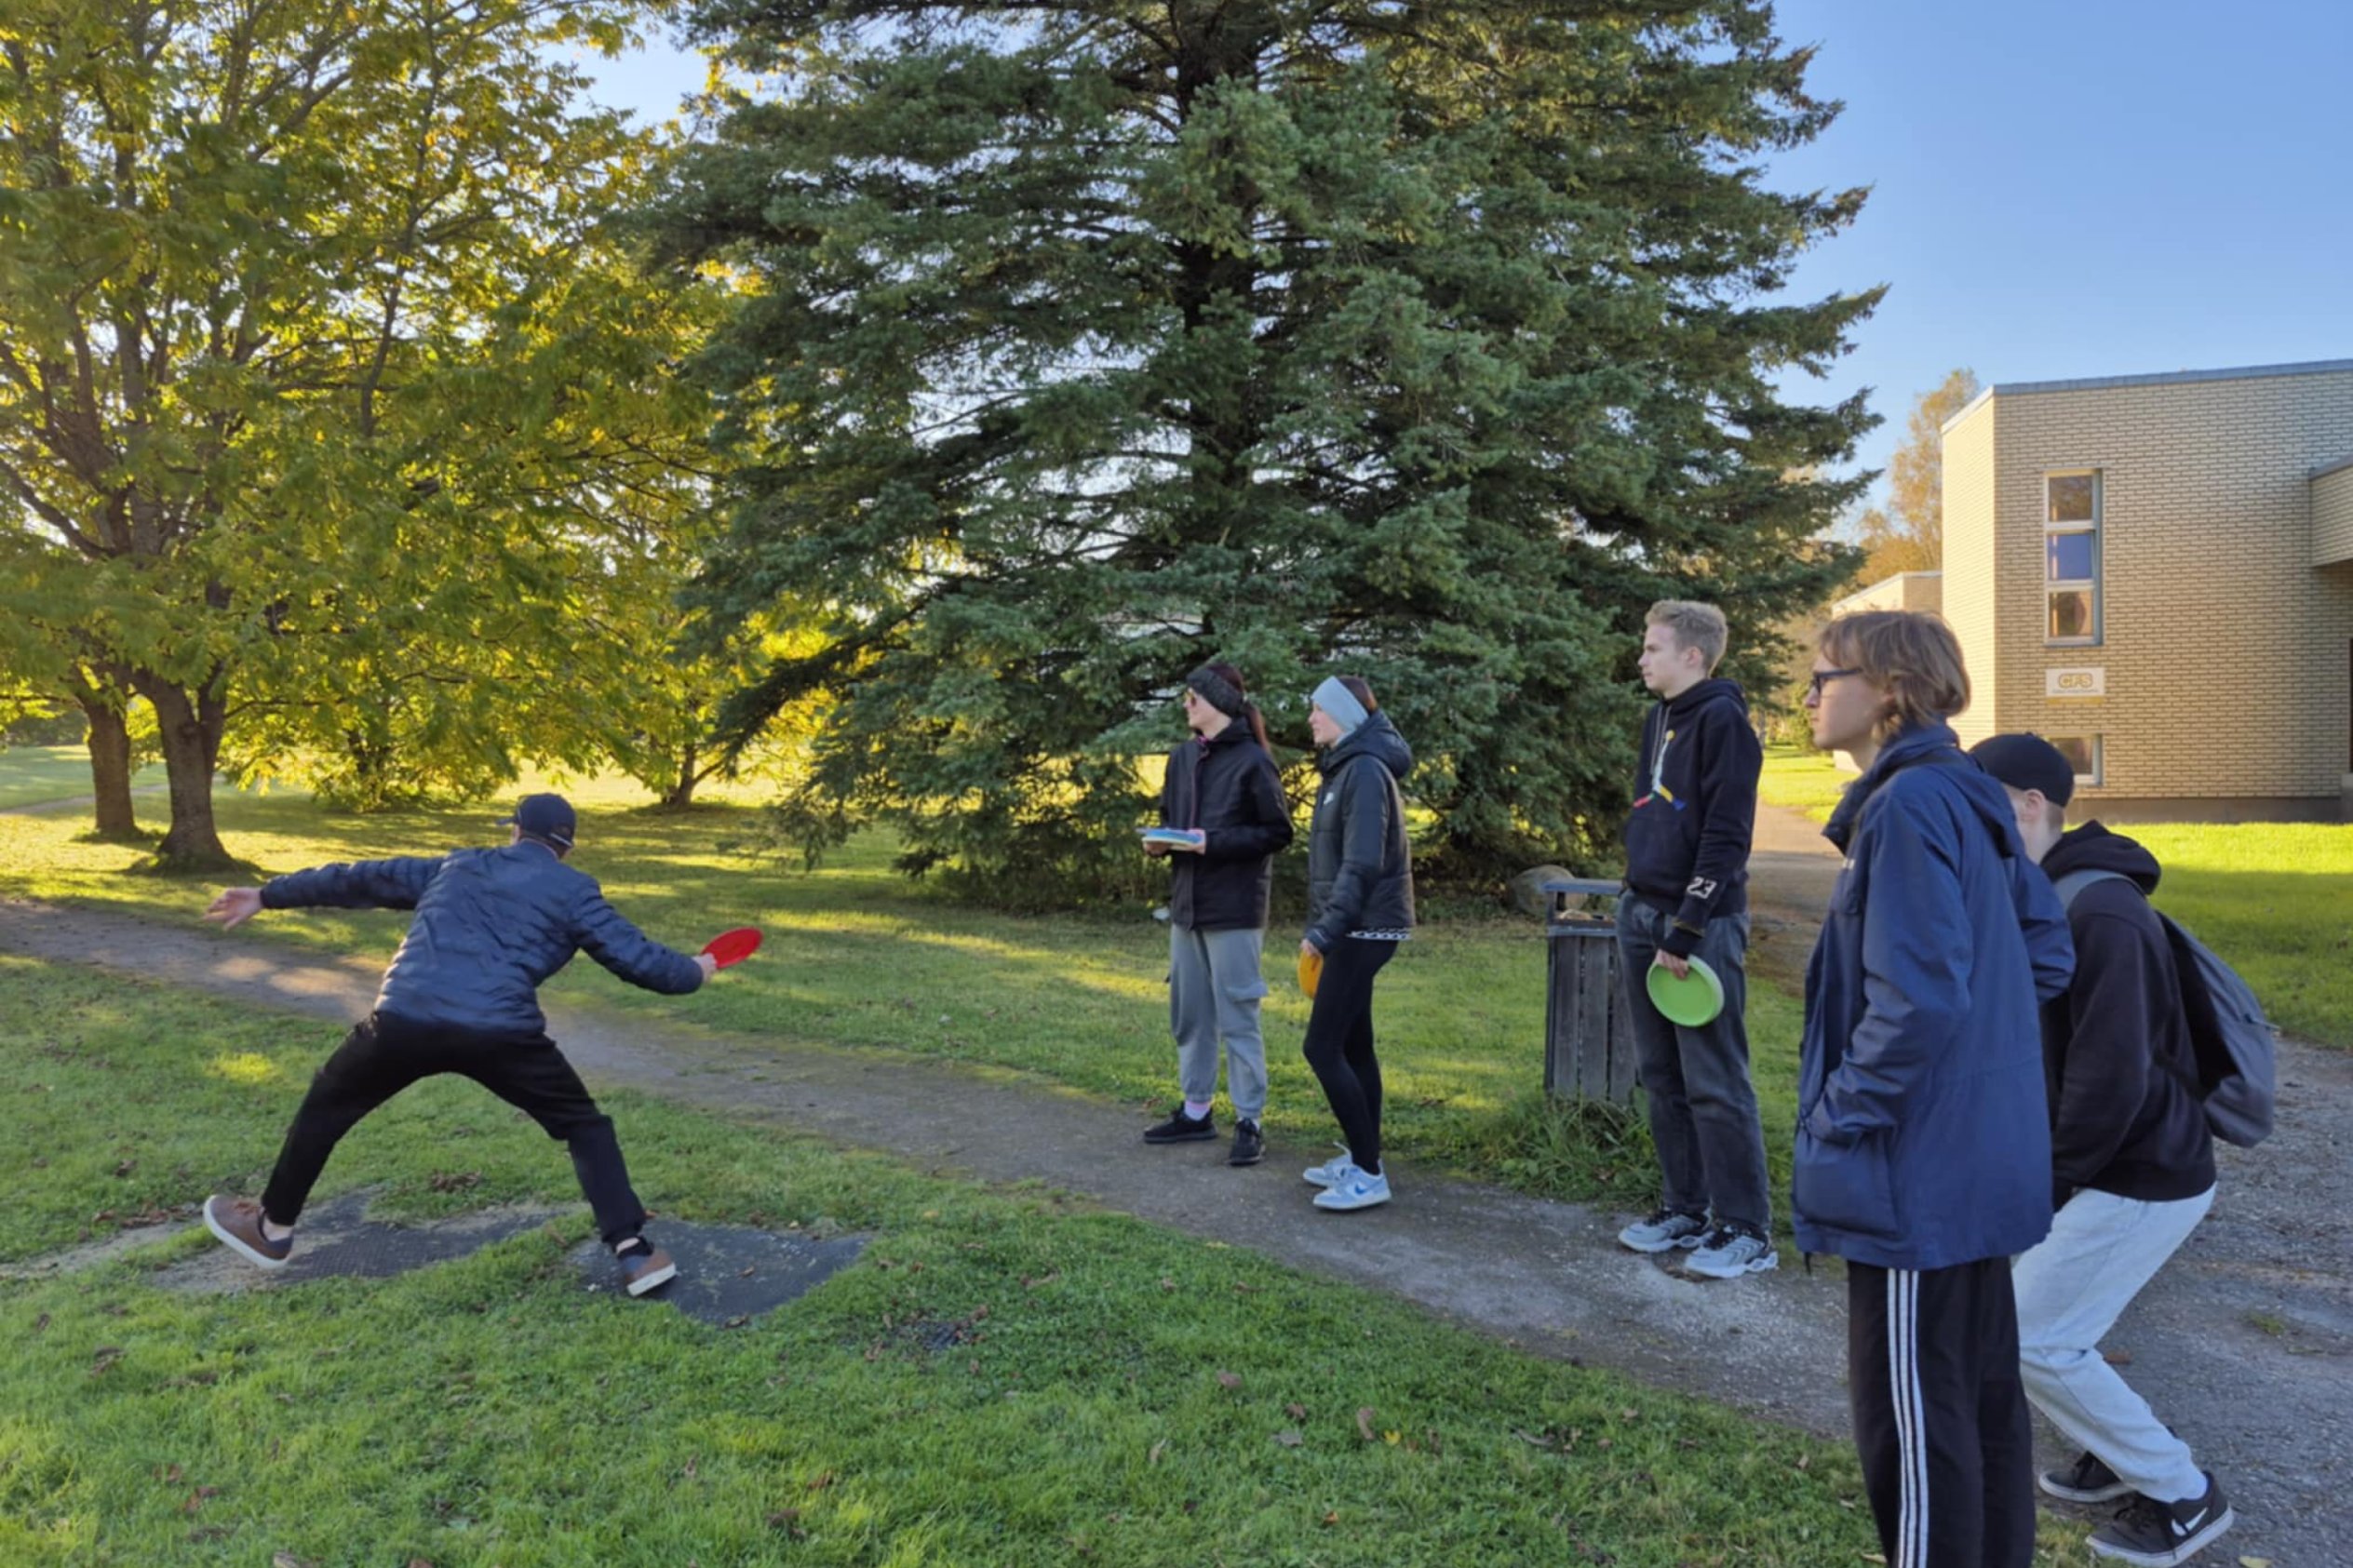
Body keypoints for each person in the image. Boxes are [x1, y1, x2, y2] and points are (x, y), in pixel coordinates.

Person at [1795, 612, 2074, 1568]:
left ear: (1888, 688)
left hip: (1916, 1175)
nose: (1808, 696)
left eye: (1823, 677)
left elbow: (1917, 1000)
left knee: (1914, 1427)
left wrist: (1840, 1114)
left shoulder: (1910, 804)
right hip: (1973, 1162)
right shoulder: (1967, 792)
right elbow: (2041, 955)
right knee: (1977, 1405)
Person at [197, 793, 719, 1298]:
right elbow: (641, 960)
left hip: (404, 1019)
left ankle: (273, 1228)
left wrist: (267, 895)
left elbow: (361, 877)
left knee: (325, 1108)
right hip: (502, 1033)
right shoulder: (575, 891)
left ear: (515, 831)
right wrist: (695, 970)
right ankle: (633, 1252)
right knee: (584, 1127)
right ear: (566, 848)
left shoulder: (458, 865)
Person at [1970, 733, 2234, 1567]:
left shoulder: (2101, 910)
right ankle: (2112, 1450)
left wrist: (2044, 1187)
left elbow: (2110, 1080)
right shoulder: (2048, 892)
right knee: (2052, 1319)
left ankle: (2183, 1494)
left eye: (1975, 806)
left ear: (2029, 805)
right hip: (2107, 1165)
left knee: (2033, 1334)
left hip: (2142, 1173)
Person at [1612, 600, 1774, 1279]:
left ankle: (1746, 1229)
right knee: (1662, 1076)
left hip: (1697, 927)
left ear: (1692, 655)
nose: (1641, 659)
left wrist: (1687, 924)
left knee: (1714, 1080)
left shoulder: (1724, 722)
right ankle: (1686, 1207)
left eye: (1652, 648)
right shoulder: (1661, 717)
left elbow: (1727, 835)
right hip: (1641, 913)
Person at [1139, 663, 1295, 1166]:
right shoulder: (1181, 757)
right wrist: (1161, 842)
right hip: (1187, 909)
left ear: (1219, 704)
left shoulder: (1254, 761)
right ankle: (1196, 1111)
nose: (1186, 705)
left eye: (1194, 697)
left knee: (1238, 1017)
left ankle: (1250, 1121)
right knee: (1190, 1016)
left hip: (1235, 909)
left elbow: (1277, 833)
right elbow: (1170, 820)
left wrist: (1212, 842)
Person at [1295, 676, 1414, 1213]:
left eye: (1318, 710)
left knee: (1321, 1047)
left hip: (1359, 928)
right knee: (1353, 1046)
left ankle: (1368, 1174)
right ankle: (1365, 1158)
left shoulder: (1363, 770)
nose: (1311, 719)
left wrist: (1326, 931)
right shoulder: (1345, 767)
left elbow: (1362, 863)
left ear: (1344, 715)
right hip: (1354, 925)